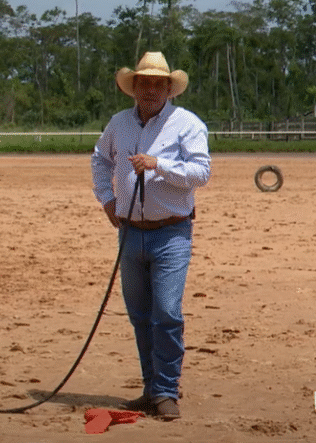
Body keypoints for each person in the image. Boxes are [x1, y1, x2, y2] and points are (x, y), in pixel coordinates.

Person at [90, 52, 211, 421]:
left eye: (157, 83)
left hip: (172, 232)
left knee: (167, 313)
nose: (150, 90)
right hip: (130, 233)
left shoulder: (187, 124)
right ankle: (151, 388)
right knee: (140, 314)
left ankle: (166, 390)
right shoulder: (119, 123)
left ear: (169, 88)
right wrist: (107, 199)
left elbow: (201, 172)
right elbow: (99, 159)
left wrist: (160, 164)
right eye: (144, 82)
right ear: (134, 88)